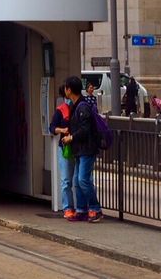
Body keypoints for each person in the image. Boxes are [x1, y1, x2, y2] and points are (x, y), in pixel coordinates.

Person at [60, 75, 102, 223]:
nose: (64, 90)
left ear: (69, 89)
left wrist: (71, 137)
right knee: (77, 180)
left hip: (87, 149)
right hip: (80, 149)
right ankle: (82, 209)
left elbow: (85, 129)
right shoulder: (76, 105)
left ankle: (95, 208)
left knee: (83, 179)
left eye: (65, 87)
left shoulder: (82, 107)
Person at [49, 84, 78, 219]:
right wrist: (62, 130)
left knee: (78, 179)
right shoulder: (60, 110)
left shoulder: (79, 107)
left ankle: (80, 207)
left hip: (78, 148)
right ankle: (68, 208)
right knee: (66, 180)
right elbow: (52, 127)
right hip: (65, 148)